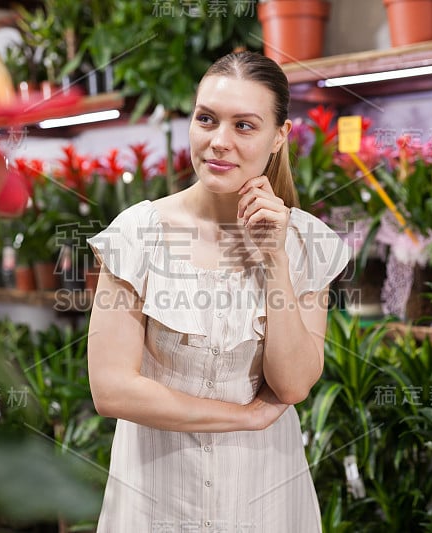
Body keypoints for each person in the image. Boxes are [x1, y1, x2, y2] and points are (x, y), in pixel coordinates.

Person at [86, 50, 350, 533]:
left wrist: (274, 259)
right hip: (155, 503)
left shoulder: (306, 242)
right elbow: (111, 389)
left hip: (265, 499)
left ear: (278, 138)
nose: (218, 142)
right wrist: (244, 416)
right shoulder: (138, 233)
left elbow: (292, 383)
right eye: (206, 119)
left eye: (244, 126)